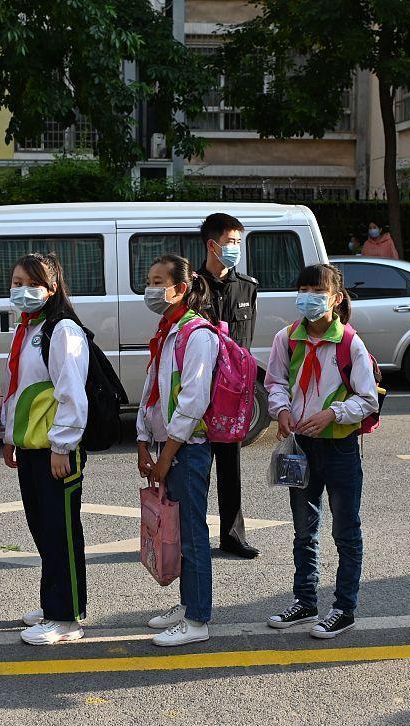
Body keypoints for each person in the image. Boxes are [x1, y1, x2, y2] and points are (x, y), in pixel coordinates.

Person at [265, 263, 378, 639]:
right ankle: (305, 600)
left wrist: (333, 413)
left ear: (336, 299)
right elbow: (276, 382)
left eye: (318, 290)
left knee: (346, 531)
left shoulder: (349, 343)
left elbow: (367, 399)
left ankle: (344, 607)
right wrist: (280, 410)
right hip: (301, 447)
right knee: (303, 529)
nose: (309, 297)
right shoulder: (287, 338)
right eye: (303, 289)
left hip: (341, 448)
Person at [0, 253, 90, 646]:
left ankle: (66, 617)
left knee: (61, 531)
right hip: (33, 447)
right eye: (15, 282)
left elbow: (71, 392)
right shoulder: (29, 329)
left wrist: (62, 446)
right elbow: (20, 390)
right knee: (43, 529)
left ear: (51, 289)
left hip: (56, 450)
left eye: (29, 283)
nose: (20, 290)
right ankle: (56, 602)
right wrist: (10, 437)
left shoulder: (62, 329)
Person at [138, 254, 219, 648]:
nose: (151, 289)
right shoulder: (166, 329)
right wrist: (143, 443)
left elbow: (192, 401)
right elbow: (151, 390)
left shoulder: (196, 334)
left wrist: (167, 455)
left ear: (181, 289)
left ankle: (198, 618)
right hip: (167, 448)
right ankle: (188, 604)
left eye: (158, 281)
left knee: (191, 534)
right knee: (176, 529)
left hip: (188, 450)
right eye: (149, 281)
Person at [197, 212, 259, 559]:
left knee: (230, 466)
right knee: (195, 467)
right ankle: (190, 535)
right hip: (198, 391)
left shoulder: (248, 287)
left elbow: (244, 345)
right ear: (212, 244)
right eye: (231, 242)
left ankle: (233, 537)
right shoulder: (191, 287)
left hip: (232, 395)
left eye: (238, 242)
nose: (235, 249)